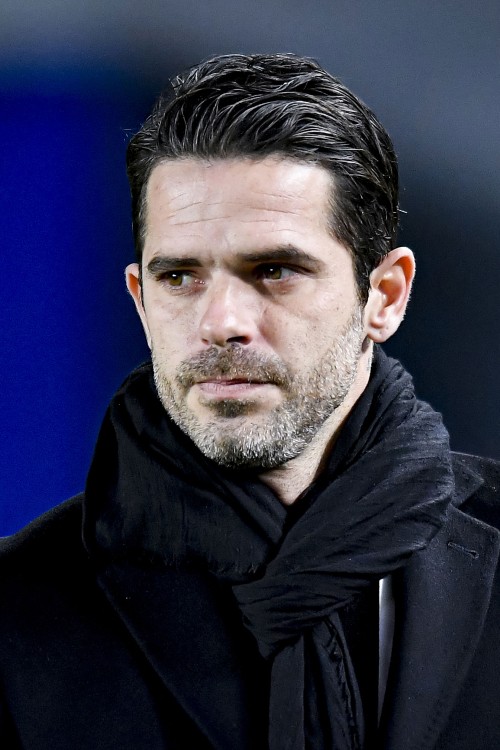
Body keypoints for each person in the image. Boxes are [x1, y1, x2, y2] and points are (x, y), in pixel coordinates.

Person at [0, 53, 499, 750]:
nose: (221, 321)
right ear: (140, 302)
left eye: (274, 270)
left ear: (384, 296)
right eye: (180, 277)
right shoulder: (16, 608)